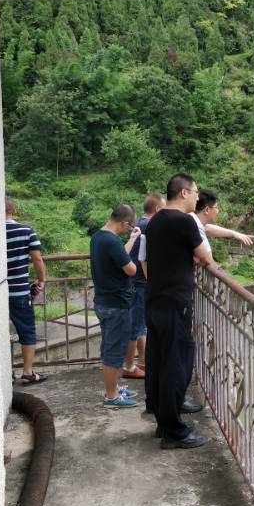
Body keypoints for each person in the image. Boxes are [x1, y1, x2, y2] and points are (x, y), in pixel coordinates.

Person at [144, 173, 215, 449]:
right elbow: (206, 257)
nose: (197, 198)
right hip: (175, 302)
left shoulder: (156, 220)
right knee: (177, 363)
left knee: (159, 361)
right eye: (195, 192)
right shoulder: (184, 221)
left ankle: (163, 422)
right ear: (184, 193)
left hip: (156, 300)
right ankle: (175, 432)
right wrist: (200, 258)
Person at [90, 203, 143, 407]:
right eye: (129, 228)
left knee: (109, 347)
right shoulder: (111, 241)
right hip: (116, 304)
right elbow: (130, 269)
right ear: (124, 223)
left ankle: (114, 388)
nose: (127, 231)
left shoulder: (98, 237)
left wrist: (132, 239)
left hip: (104, 301)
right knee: (113, 352)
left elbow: (120, 255)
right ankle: (111, 396)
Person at [123, 192, 165, 379]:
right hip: (140, 282)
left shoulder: (141, 224)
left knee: (141, 325)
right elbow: (147, 258)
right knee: (136, 325)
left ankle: (142, 363)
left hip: (137, 281)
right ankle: (129, 366)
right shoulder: (148, 226)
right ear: (157, 208)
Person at [6, 197, 47, 385]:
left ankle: (5, 372)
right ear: (13, 210)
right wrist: (42, 280)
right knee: (27, 331)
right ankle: (27, 372)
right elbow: (37, 259)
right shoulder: (26, 230)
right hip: (20, 293)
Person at [191, 189, 254, 260]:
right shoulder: (193, 226)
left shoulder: (191, 222)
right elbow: (208, 262)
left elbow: (206, 228)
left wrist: (234, 234)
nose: (218, 211)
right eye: (216, 207)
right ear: (207, 210)